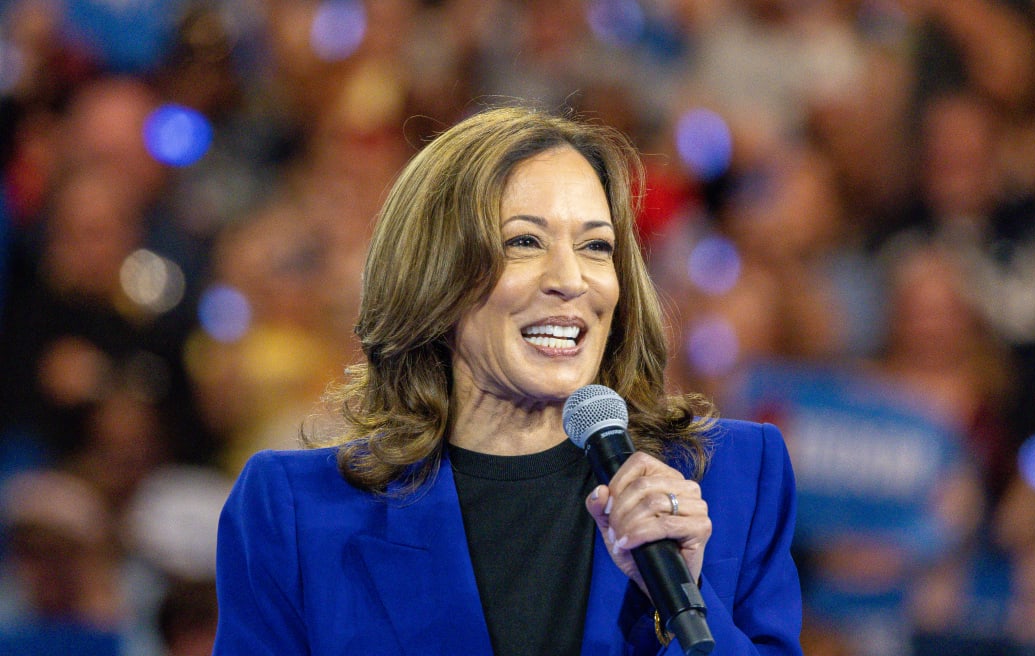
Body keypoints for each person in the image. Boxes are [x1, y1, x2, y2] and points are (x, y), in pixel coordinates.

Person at [212, 106, 802, 655]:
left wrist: (686, 598)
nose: (571, 280)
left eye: (597, 246)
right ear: (433, 274)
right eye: (524, 242)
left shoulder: (733, 479)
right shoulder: (293, 511)